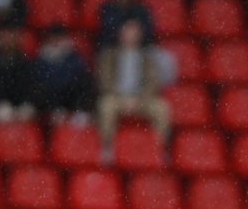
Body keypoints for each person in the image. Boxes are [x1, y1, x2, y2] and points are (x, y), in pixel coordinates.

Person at [95, 18, 170, 156]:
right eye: (128, 31)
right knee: (105, 106)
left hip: (141, 98)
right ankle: (107, 149)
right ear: (120, 33)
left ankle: (159, 149)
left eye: (134, 32)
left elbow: (152, 81)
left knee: (162, 108)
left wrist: (139, 99)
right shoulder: (109, 54)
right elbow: (104, 79)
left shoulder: (147, 56)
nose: (131, 35)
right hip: (116, 97)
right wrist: (121, 98)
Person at [29, 26, 93, 121]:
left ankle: (78, 111)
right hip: (49, 101)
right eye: (53, 38)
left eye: (58, 38)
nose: (56, 41)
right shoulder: (41, 59)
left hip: (70, 98)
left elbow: (78, 79)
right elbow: (40, 81)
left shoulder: (73, 57)